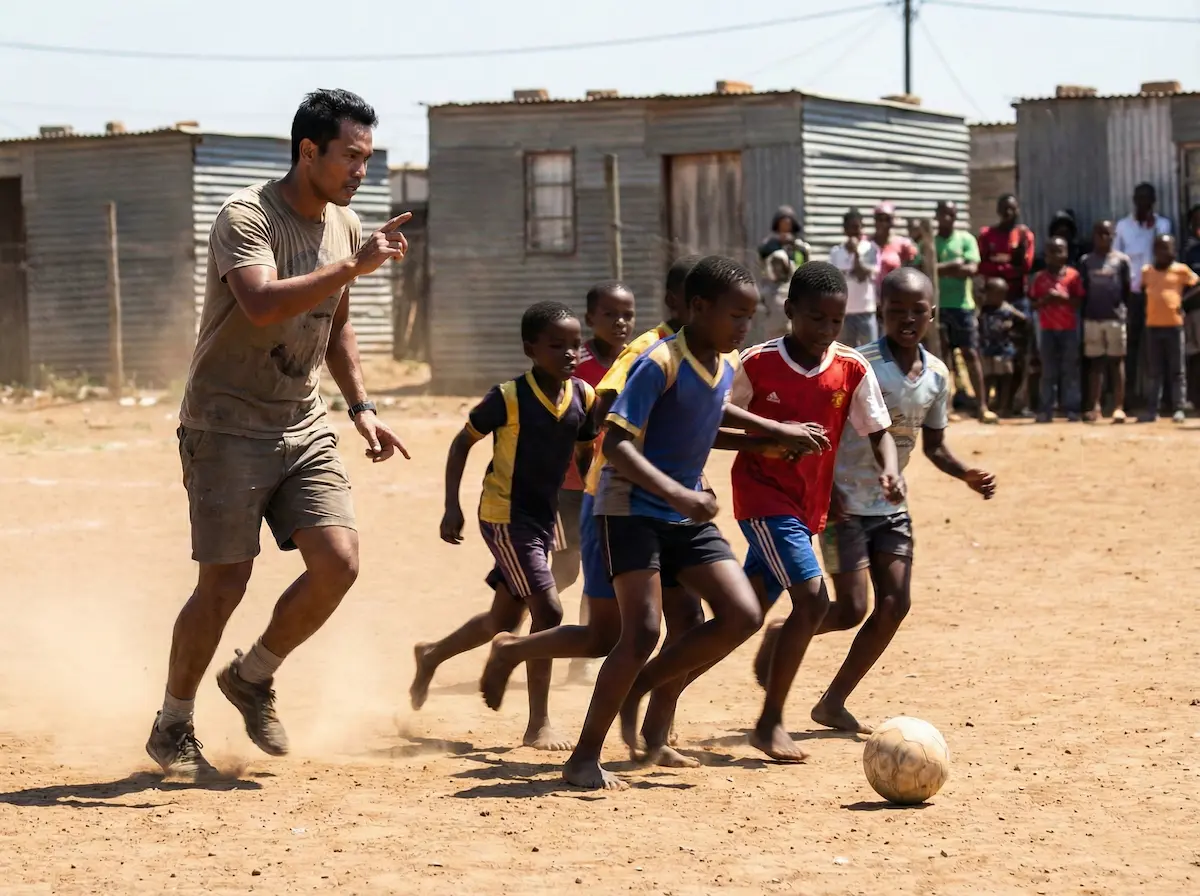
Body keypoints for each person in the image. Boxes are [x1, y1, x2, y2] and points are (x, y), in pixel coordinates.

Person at [147, 89, 411, 779]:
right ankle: (173, 721)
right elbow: (263, 304)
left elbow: (337, 324)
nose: (361, 170)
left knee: (339, 562)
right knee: (224, 583)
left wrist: (362, 407)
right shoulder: (246, 216)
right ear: (308, 151)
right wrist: (353, 266)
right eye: (351, 156)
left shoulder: (347, 226)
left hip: (304, 422)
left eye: (368, 158)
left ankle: (252, 675)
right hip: (226, 425)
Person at [561, 256, 767, 791]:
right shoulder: (658, 361)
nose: (744, 328)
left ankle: (644, 686)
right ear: (698, 309)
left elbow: (714, 414)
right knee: (644, 631)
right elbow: (618, 441)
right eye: (736, 317)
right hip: (631, 507)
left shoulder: (723, 366)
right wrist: (678, 492)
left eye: (750, 317)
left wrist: (779, 431)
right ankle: (584, 757)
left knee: (742, 613)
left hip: (684, 512)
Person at [813, 268, 996, 734]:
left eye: (918, 311)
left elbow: (932, 445)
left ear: (932, 314)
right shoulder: (860, 365)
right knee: (851, 608)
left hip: (890, 506)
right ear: (881, 313)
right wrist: (827, 490)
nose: (908, 318)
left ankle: (832, 702)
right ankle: (787, 637)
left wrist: (965, 474)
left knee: (895, 604)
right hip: (844, 505)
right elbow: (829, 433)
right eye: (897, 310)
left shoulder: (937, 375)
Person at [409, 302, 598, 751]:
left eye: (575, 345)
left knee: (504, 616)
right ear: (531, 349)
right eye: (557, 345)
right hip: (505, 515)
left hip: (544, 515)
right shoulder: (509, 397)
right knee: (549, 612)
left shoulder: (585, 397)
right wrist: (450, 506)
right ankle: (539, 722)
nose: (570, 354)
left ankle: (432, 655)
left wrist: (589, 496)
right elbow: (461, 443)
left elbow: (587, 452)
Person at [735, 262, 901, 762]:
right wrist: (771, 440)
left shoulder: (850, 367)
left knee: (739, 617)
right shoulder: (756, 363)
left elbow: (878, 431)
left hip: (808, 509)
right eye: (815, 319)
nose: (827, 331)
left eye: (837, 321)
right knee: (811, 600)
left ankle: (659, 696)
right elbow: (714, 423)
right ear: (788, 312)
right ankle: (770, 724)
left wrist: (890, 470)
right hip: (763, 499)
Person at [556, 281, 637, 684]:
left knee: (598, 571)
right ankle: (515, 623)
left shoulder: (638, 362)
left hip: (610, 486)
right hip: (568, 486)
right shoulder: (575, 362)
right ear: (590, 319)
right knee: (563, 572)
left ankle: (580, 658)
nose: (620, 323)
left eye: (627, 315)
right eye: (610, 315)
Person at [933, 200, 995, 423]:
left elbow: (971, 269)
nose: (947, 218)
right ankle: (946, 408)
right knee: (943, 360)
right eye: (943, 214)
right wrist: (953, 266)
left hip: (963, 306)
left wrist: (942, 268)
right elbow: (925, 268)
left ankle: (982, 406)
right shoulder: (930, 242)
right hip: (940, 307)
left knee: (971, 355)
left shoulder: (966, 239)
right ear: (937, 215)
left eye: (951, 214)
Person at [1115, 183, 1173, 412]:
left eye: (1147, 199)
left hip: (1157, 295)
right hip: (1133, 296)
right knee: (1131, 346)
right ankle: (1127, 398)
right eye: (1139, 199)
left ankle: (1166, 399)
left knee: (1162, 346)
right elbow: (1117, 259)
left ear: (1154, 201)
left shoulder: (1163, 225)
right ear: (1133, 200)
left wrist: (1152, 227)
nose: (1143, 204)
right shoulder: (1123, 227)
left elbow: (1167, 255)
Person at [978, 193, 1035, 417]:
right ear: (998, 210)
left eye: (1012, 208)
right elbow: (983, 267)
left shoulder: (1023, 235)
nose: (1008, 213)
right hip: (991, 302)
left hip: (1017, 299)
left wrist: (999, 266)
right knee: (991, 351)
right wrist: (1009, 266)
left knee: (1018, 353)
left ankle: (1012, 401)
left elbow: (1026, 267)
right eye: (1004, 209)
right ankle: (992, 401)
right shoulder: (987, 235)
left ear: (1017, 210)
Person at [1141, 234, 1200, 424]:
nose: (1164, 252)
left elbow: (1197, 284)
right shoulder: (1147, 271)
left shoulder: (1181, 270)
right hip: (1153, 327)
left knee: (1177, 371)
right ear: (1154, 251)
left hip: (1175, 326)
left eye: (1167, 248)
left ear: (1174, 251)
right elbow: (1142, 292)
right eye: (1160, 248)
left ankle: (1178, 408)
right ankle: (1152, 409)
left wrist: (1182, 300)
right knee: (1154, 371)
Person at [1080, 221, 1131, 423]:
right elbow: (1083, 290)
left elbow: (1126, 289)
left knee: (1117, 362)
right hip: (1093, 318)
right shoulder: (1086, 261)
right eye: (1099, 234)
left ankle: (1119, 407)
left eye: (1107, 234)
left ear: (1114, 236)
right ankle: (1095, 406)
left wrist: (1122, 310)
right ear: (1093, 236)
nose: (1103, 238)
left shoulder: (1121, 261)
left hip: (1115, 318)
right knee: (1096, 364)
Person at [1029, 236, 1084, 422]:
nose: (1056, 255)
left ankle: (1071, 409)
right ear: (1046, 255)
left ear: (1066, 253)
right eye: (1052, 251)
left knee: (1070, 370)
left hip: (1069, 329)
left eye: (1060, 251)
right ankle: (1046, 409)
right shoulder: (1039, 278)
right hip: (1047, 330)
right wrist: (1046, 300)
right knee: (1048, 371)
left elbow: (1078, 302)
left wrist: (1062, 299)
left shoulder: (1073, 276)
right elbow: (1033, 304)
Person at [829, 208, 881, 347]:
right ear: (845, 230)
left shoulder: (871, 249)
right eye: (851, 227)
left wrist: (856, 253)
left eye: (857, 227)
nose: (854, 231)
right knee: (845, 353)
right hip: (844, 312)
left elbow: (862, 275)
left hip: (866, 311)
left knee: (869, 352)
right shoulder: (836, 252)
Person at [978, 277, 1027, 417]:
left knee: (1005, 378)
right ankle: (985, 406)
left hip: (1004, 349)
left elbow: (1023, 319)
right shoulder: (984, 308)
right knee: (988, 378)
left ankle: (1004, 407)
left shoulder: (1006, 309)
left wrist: (1010, 325)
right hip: (987, 349)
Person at [872, 201, 918, 290]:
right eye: (880, 219)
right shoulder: (867, 244)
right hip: (870, 298)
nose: (883, 223)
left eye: (887, 219)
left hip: (893, 295)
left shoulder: (902, 244)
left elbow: (914, 264)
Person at [1182, 206, 1200, 409]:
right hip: (1194, 310)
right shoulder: (1190, 251)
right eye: (1196, 222)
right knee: (1194, 357)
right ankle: (1195, 400)